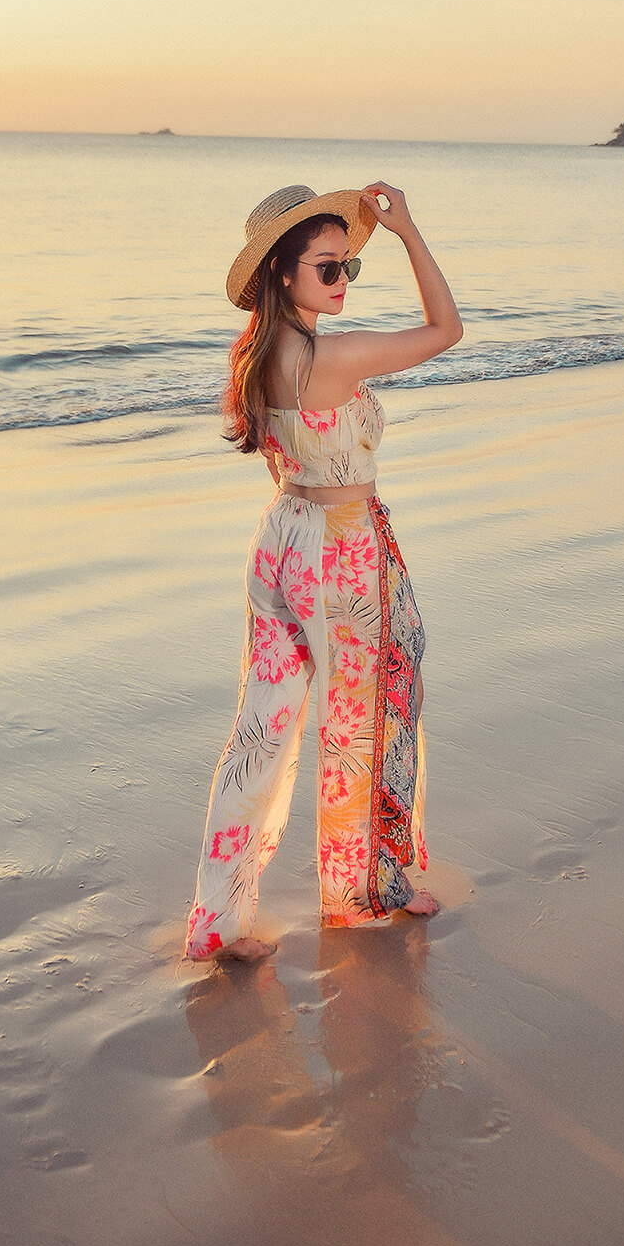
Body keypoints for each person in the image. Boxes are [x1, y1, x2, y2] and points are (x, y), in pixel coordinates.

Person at [184, 180, 464, 962]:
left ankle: (220, 922)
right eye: (328, 269)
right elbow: (449, 327)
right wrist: (407, 231)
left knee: (260, 735)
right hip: (345, 549)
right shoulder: (329, 358)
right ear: (281, 271)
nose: (342, 281)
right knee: (370, 719)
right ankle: (369, 885)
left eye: (350, 268)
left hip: (282, 543)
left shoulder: (257, 354)